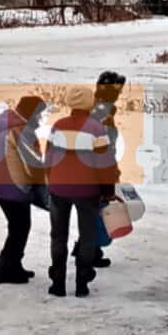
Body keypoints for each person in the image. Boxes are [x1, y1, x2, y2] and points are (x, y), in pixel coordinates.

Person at [45, 86, 118, 298]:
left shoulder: (58, 127)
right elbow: (105, 164)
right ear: (90, 103)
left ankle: (57, 283)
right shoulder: (96, 129)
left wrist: (52, 181)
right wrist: (108, 191)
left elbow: (48, 159)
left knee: (58, 236)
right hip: (87, 190)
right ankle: (82, 282)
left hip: (59, 189)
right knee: (87, 236)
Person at [71, 70, 127, 269]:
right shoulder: (100, 113)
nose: (120, 94)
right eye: (118, 90)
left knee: (94, 212)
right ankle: (88, 252)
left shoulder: (100, 110)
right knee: (96, 212)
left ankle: (86, 249)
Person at [0, 96, 47, 285]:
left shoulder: (3, 127)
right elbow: (33, 164)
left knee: (17, 227)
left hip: (0, 184)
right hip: (15, 186)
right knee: (19, 228)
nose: (40, 118)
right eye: (38, 114)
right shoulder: (21, 130)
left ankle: (13, 265)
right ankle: (7, 270)